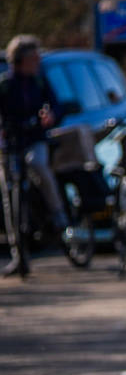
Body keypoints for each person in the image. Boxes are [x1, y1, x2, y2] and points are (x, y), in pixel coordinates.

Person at [0, 36, 74, 277]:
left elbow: (57, 106)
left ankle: (58, 215)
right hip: (12, 143)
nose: (37, 62)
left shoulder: (40, 81)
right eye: (33, 58)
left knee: (38, 165)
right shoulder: (5, 85)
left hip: (35, 139)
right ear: (19, 60)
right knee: (9, 192)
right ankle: (18, 254)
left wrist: (51, 116)